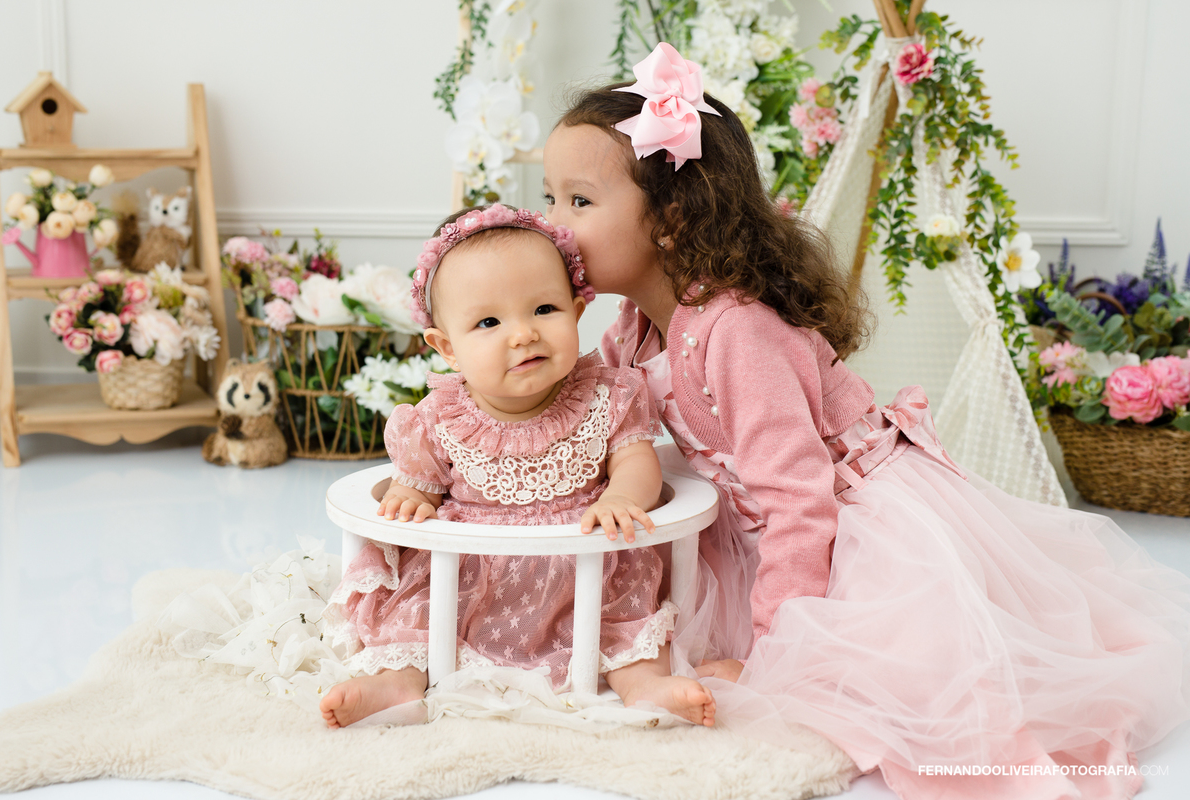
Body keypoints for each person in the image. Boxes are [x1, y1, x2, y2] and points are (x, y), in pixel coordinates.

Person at [540, 42, 1190, 800]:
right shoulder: (634, 325)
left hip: (851, 519)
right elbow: (601, 419)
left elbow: (797, 498)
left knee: (916, 694)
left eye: (578, 202)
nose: (554, 225)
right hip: (765, 524)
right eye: (550, 199)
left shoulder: (738, 329)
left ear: (672, 221)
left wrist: (781, 651)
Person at [319, 203, 716, 729]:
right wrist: (413, 497)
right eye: (488, 321)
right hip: (471, 579)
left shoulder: (609, 396)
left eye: (544, 310)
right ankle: (394, 682)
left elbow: (637, 463)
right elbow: (419, 485)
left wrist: (621, 496)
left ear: (577, 312)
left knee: (627, 619)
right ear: (447, 347)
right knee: (417, 614)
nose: (523, 333)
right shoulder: (439, 418)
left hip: (584, 572)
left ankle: (646, 685)